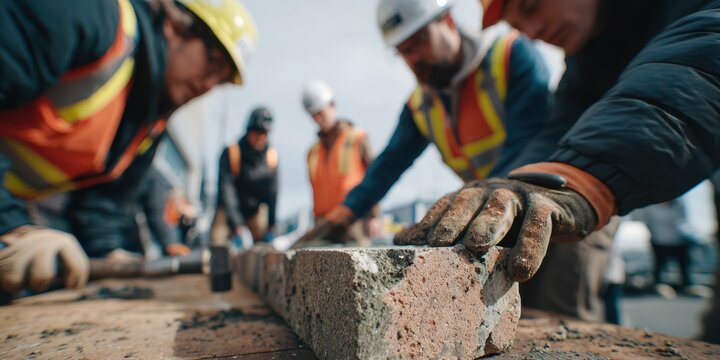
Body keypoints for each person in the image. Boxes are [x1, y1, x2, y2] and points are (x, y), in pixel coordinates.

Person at [394, 0, 719, 323]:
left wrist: (581, 174)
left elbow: (698, 65)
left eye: (532, 7)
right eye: (519, 27)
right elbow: (554, 133)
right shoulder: (588, 63)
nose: (533, 33)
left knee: (559, 277)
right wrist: (520, 184)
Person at [0, 0, 257, 295]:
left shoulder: (147, 126)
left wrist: (108, 253)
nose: (208, 84)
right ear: (174, 25)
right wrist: (8, 223)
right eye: (211, 62)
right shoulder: (89, 16)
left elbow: (103, 204)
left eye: (221, 81)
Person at [302, 80, 378, 246]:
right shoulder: (312, 152)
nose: (318, 119)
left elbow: (375, 178)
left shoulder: (357, 138)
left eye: (320, 113)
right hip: (324, 223)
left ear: (332, 105)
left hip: (353, 220)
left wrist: (374, 216)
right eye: (314, 115)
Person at [212, 106, 279, 247]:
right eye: (257, 132)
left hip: (254, 212)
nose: (261, 138)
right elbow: (226, 190)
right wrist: (238, 225)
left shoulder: (271, 158)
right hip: (229, 211)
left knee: (262, 250)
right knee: (217, 243)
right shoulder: (231, 153)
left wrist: (271, 225)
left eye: (264, 133)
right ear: (249, 131)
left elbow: (273, 193)